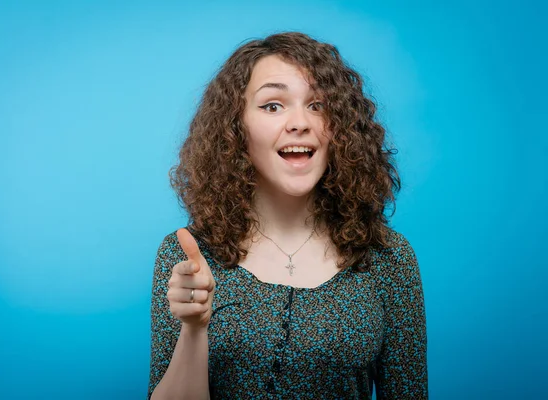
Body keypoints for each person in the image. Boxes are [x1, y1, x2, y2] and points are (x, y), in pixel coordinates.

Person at [147, 32, 427, 399]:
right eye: (273, 106)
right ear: (236, 128)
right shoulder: (187, 257)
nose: (299, 123)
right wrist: (194, 329)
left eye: (317, 105)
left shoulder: (387, 258)